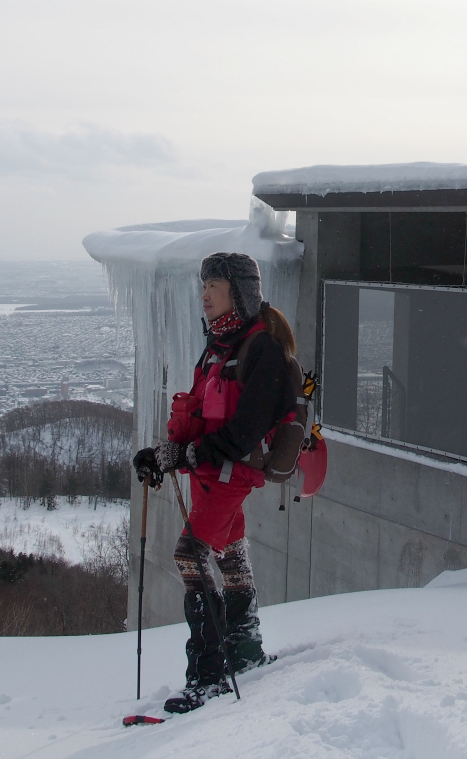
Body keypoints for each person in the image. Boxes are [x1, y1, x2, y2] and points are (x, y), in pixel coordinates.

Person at [133, 251, 299, 714]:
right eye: (203, 286)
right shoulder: (221, 343)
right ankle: (244, 650)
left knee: (190, 556)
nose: (204, 295)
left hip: (230, 471)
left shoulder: (259, 348)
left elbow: (243, 432)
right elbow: (203, 420)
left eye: (214, 286)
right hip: (210, 471)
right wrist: (164, 455)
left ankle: (209, 675)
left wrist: (183, 455)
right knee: (231, 552)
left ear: (239, 292)